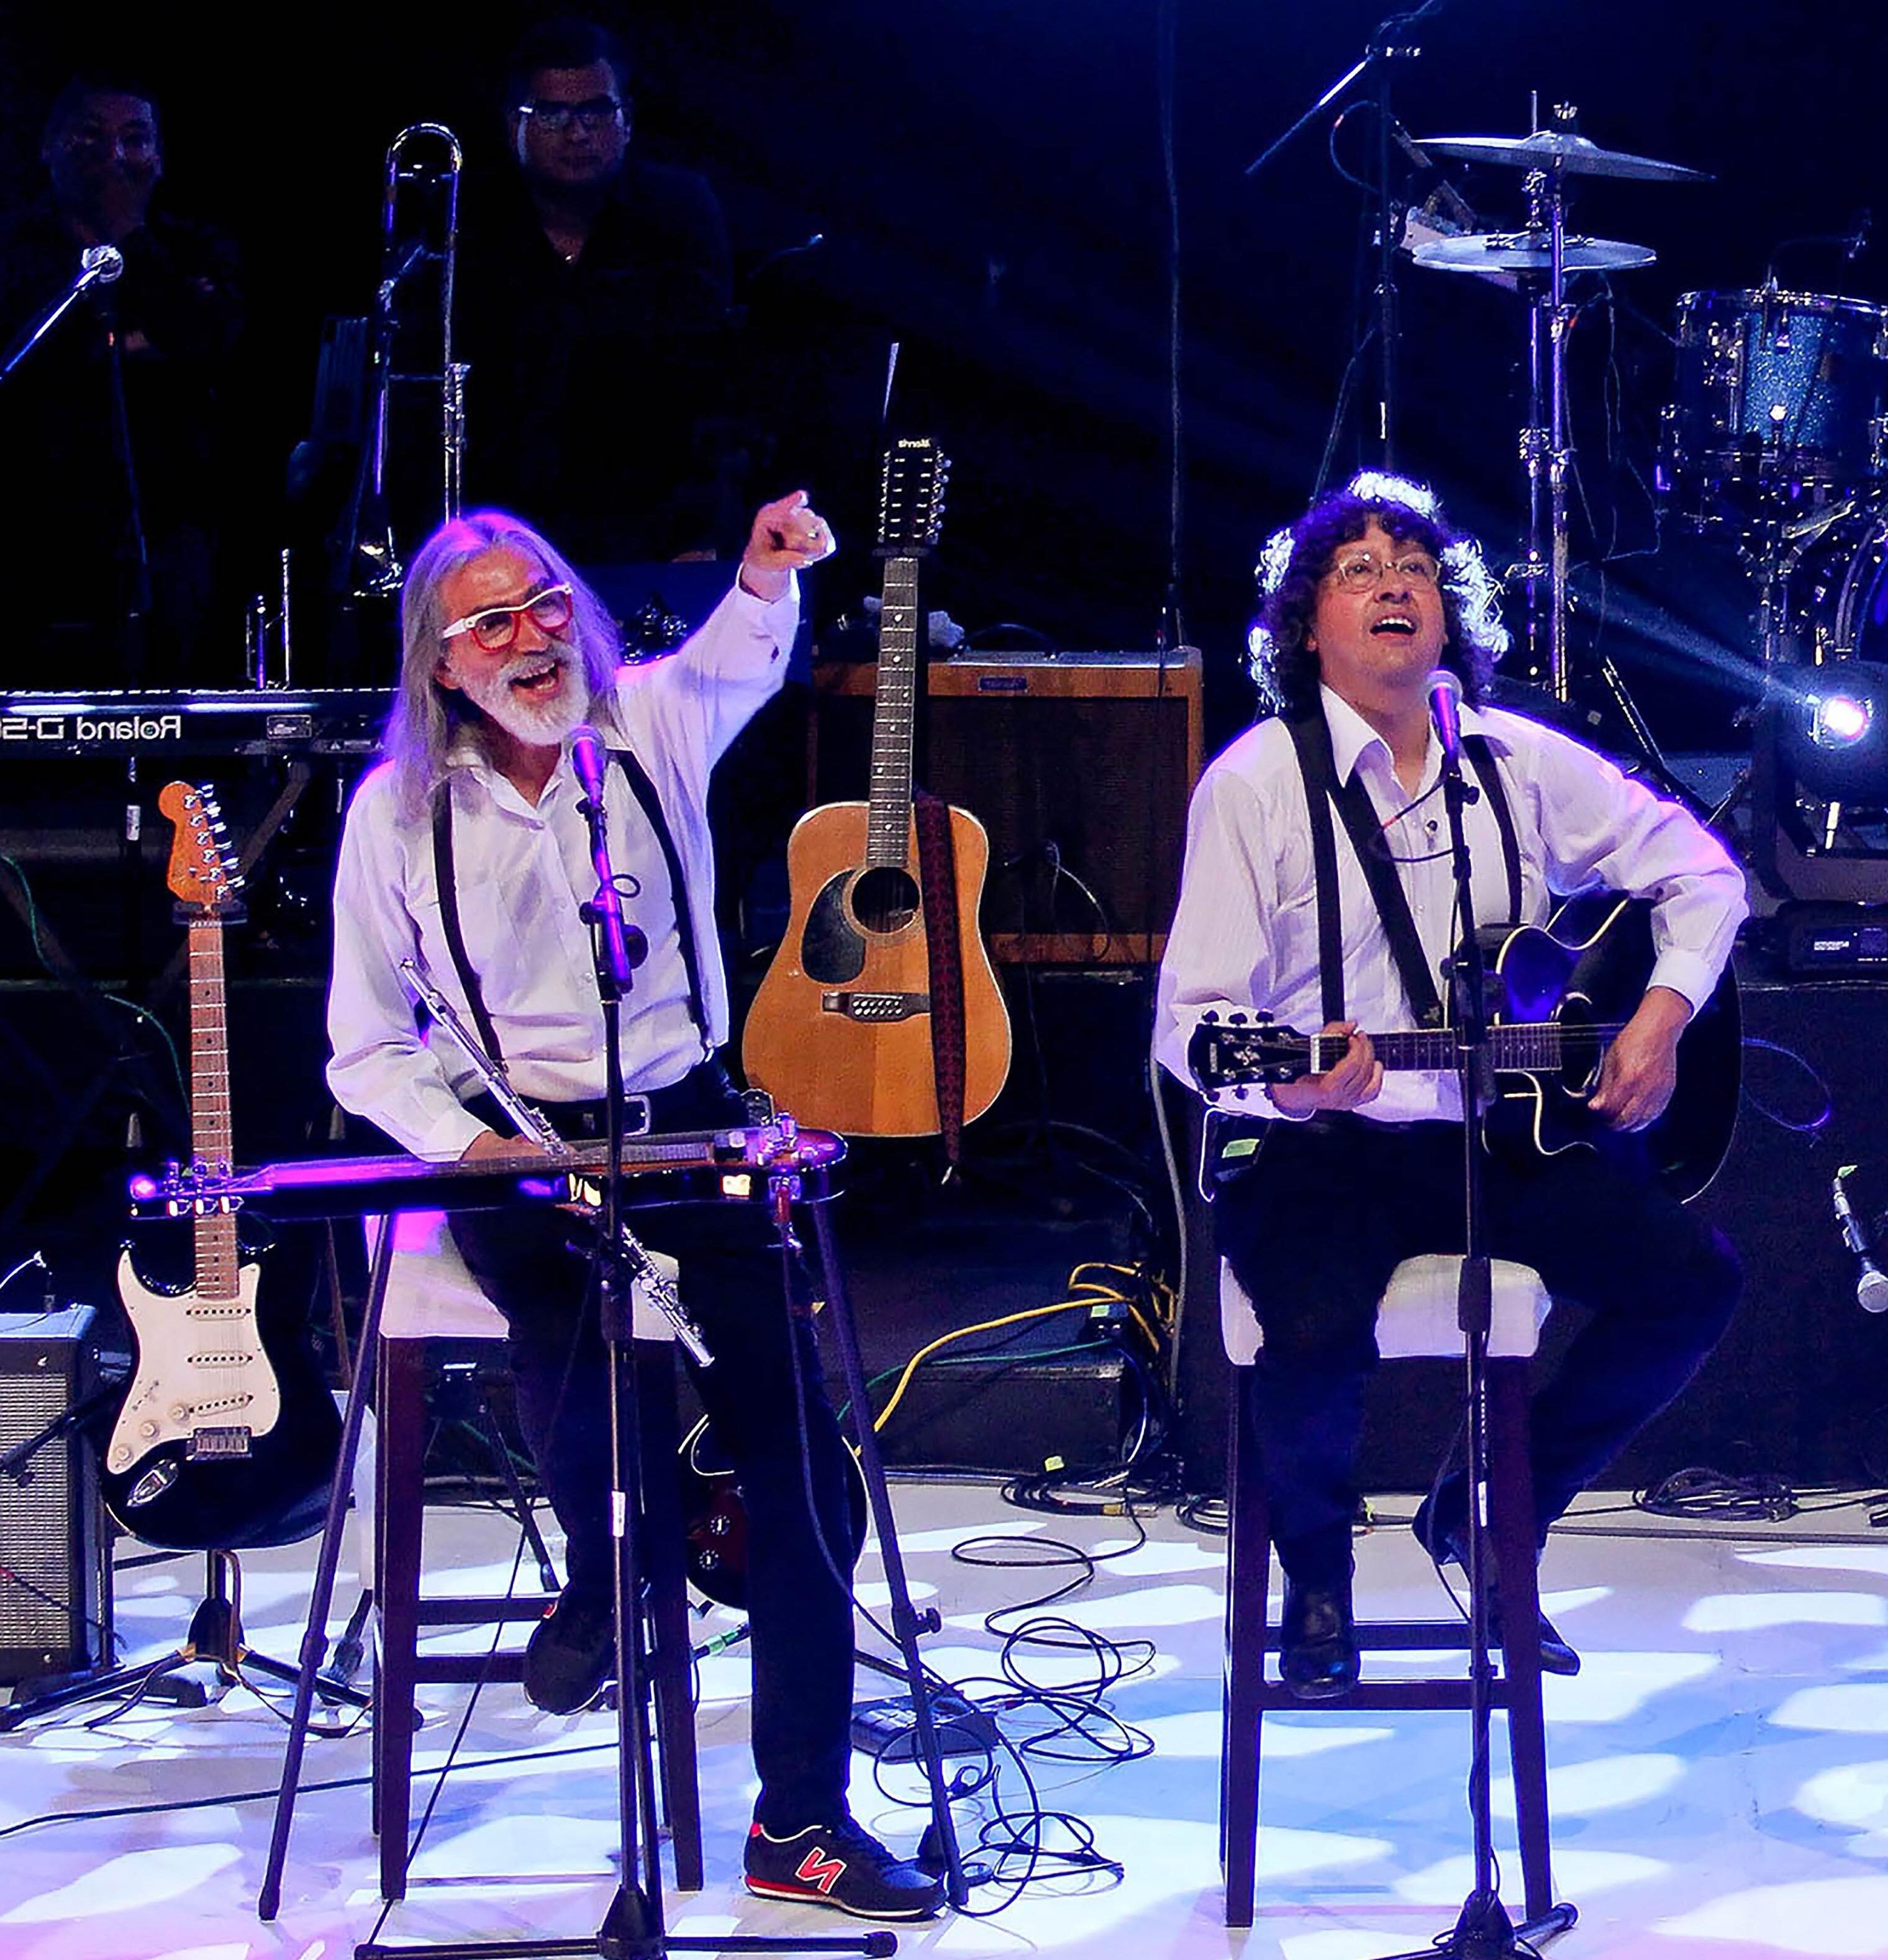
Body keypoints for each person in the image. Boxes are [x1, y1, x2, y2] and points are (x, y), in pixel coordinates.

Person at [325, 490, 942, 1920]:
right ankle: (614, 1565)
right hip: (516, 1149)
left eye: (548, 607)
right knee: (572, 1338)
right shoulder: (397, 812)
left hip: (685, 1122)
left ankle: (799, 1817)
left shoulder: (646, 728)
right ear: (443, 662)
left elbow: (736, 658)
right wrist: (463, 1143)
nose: (533, 640)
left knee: (799, 1472)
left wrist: (764, 573)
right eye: (493, 623)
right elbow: (367, 1042)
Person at [1154, 471, 1745, 1699]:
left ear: (1445, 612)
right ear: (1305, 622)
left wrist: (1658, 1010)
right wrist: (1292, 1084)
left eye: (1414, 568)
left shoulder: (1508, 760)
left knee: (1689, 1285)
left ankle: (1487, 1516)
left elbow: (1699, 870)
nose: (1393, 586)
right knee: (1312, 1333)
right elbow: (1193, 1027)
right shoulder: (1256, 784)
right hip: (1325, 1145)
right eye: (1359, 569)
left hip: (1499, 1138)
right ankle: (1315, 1575)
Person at [453, 16, 744, 568]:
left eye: (595, 111)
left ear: (627, 120)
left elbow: (712, 392)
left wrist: (700, 530)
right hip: (499, 533)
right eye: (551, 114)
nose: (578, 133)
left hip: (652, 529)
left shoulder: (679, 213)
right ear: (511, 124)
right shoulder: (467, 223)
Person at [0, 73, 242, 686]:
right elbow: (36, 361)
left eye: (135, 139)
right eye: (91, 137)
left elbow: (205, 345)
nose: (114, 156)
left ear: (159, 157)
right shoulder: (13, 251)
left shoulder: (195, 250)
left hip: (168, 525)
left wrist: (127, 231)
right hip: (33, 521)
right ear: (50, 148)